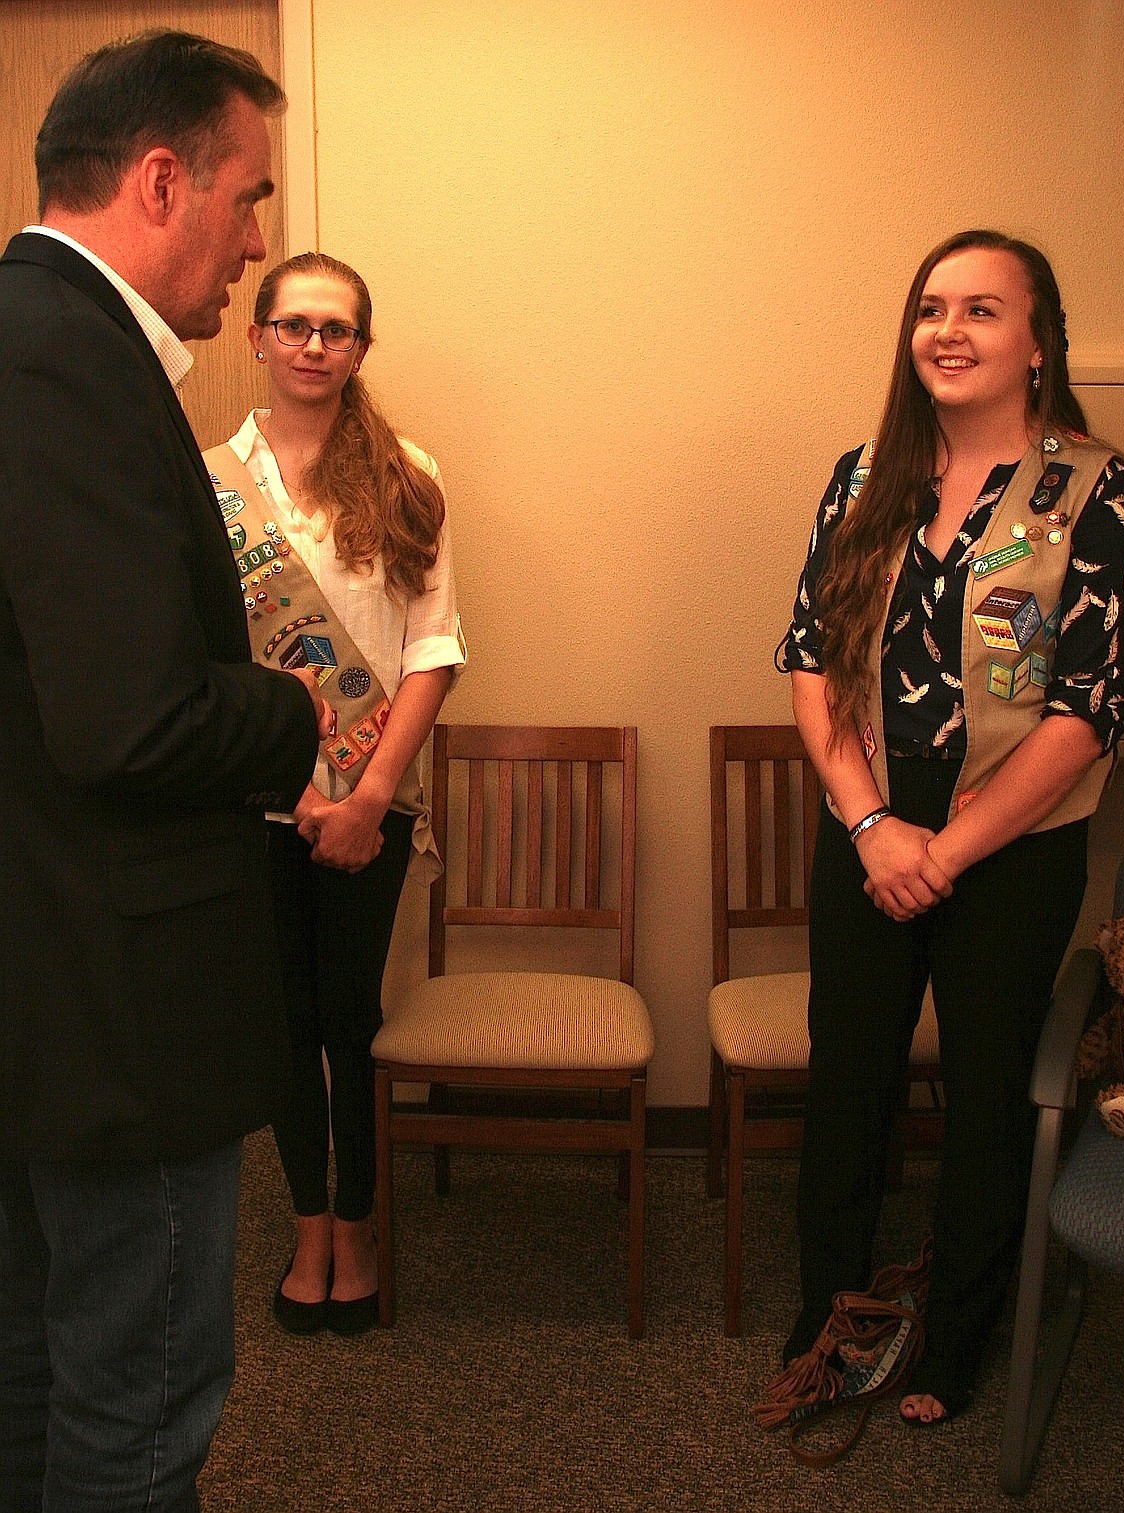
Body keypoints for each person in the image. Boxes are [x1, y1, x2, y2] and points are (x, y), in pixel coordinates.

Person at [0, 31, 333, 1512]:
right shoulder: (67, 356)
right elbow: (129, 724)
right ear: (158, 178)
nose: (256, 244)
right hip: (115, 1006)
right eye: (249, 197)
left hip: (45, 976)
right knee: (136, 1404)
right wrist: (287, 719)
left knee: (34, 1364)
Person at [777, 229, 1124, 1424]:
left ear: (1037, 342)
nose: (947, 329)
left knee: (989, 1094)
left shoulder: (1095, 489)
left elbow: (1090, 711)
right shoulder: (862, 478)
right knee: (848, 1081)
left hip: (1013, 842)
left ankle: (956, 1338)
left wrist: (945, 850)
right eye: (931, 307)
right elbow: (808, 661)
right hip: (870, 817)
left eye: (982, 309)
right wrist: (875, 824)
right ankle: (830, 1320)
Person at [204, 251, 465, 1338]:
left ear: (361, 347)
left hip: (372, 806)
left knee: (351, 1020)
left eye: (338, 329)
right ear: (257, 336)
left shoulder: (406, 474)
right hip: (246, 806)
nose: (315, 345)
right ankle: (305, 1224)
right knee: (277, 1027)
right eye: (296, 325)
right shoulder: (204, 479)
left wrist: (368, 796)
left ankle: (357, 1225)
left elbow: (434, 648)